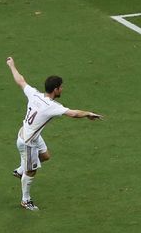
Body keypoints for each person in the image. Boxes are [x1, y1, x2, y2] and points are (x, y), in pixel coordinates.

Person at [6, 57, 102, 211]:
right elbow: (73, 114)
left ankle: (20, 169)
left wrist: (12, 65)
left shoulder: (35, 94)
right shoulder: (51, 106)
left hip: (30, 134)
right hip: (28, 142)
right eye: (61, 87)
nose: (62, 89)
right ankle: (25, 200)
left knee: (45, 156)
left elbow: (21, 81)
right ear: (55, 89)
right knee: (31, 171)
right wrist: (88, 113)